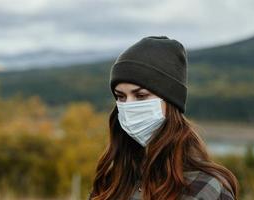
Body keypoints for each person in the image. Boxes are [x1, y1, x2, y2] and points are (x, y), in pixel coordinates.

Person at [89, 36, 239, 200]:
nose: (128, 106)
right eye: (121, 97)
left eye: (140, 96)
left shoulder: (206, 188)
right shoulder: (110, 183)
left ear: (170, 102)